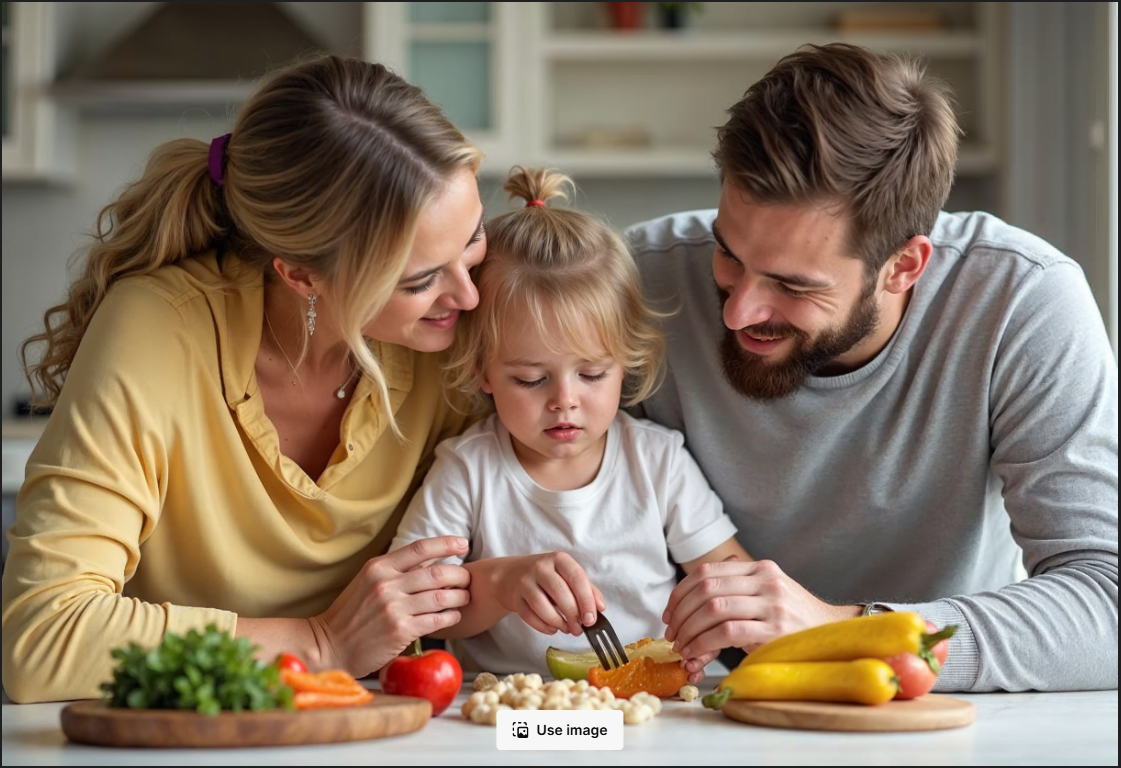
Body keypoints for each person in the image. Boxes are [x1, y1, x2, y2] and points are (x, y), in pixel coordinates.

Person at [629, 44, 1118, 692]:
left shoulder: (1021, 302)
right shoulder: (634, 282)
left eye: (792, 285)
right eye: (727, 252)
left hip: (938, 716)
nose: (739, 310)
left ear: (905, 266)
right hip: (689, 706)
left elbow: (1104, 604)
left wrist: (844, 630)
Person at [2, 55, 487, 702]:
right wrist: (319, 643)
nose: (469, 295)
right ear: (301, 276)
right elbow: (42, 640)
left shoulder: (450, 341)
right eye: (419, 280)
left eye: (473, 243)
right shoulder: (163, 327)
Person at [391, 167, 749, 677]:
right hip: (511, 711)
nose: (565, 401)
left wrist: (712, 621)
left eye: (591, 374)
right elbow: (420, 610)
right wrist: (500, 585)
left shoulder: (658, 460)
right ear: (482, 372)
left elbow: (728, 577)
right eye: (531, 380)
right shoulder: (468, 468)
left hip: (652, 701)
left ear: (625, 361)